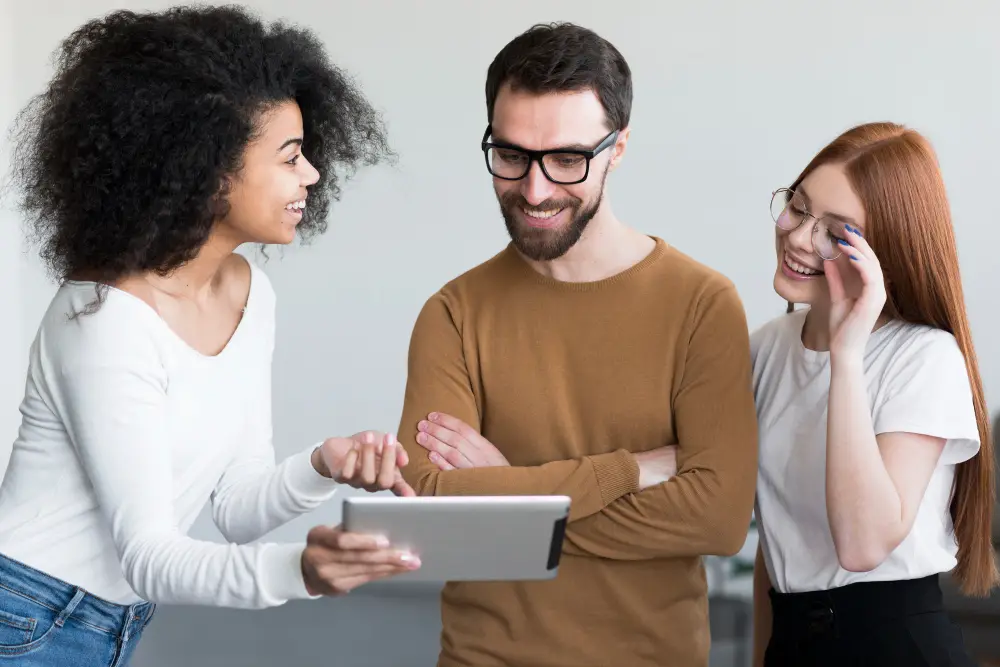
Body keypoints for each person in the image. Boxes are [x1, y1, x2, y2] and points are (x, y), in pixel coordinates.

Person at [0, 6, 419, 665]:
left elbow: (236, 504)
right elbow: (150, 555)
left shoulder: (250, 291)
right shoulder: (105, 322)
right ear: (208, 171)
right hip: (25, 615)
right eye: (289, 156)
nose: (310, 173)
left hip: (105, 621)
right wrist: (299, 573)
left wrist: (324, 462)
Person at [395, 22, 759, 667]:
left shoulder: (701, 304)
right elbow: (431, 510)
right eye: (511, 156)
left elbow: (718, 518)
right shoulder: (453, 314)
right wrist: (627, 472)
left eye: (567, 160)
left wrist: (506, 493)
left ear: (617, 149)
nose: (534, 191)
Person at [750, 122, 998, 667]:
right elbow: (777, 542)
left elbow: (862, 546)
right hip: (792, 640)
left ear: (883, 256)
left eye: (836, 234)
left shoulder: (925, 358)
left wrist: (846, 354)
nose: (797, 237)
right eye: (799, 205)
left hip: (894, 646)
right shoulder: (767, 348)